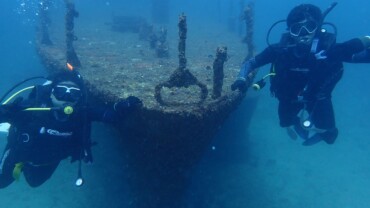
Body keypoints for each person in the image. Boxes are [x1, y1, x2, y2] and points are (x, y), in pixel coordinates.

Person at [231, 3, 370, 146]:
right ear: (290, 32)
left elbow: (362, 56)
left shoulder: (330, 50)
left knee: (330, 136)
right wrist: (241, 78)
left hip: (316, 97)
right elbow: (250, 63)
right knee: (285, 123)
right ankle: (295, 123)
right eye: (296, 29)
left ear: (317, 27)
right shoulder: (280, 50)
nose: (303, 34)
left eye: (309, 27)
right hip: (287, 96)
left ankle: (318, 129)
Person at [0, 69, 142, 188]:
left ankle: (27, 167)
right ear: (51, 93)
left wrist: (123, 107)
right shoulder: (32, 108)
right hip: (18, 154)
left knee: (34, 183)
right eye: (61, 91)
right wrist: (6, 112)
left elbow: (111, 116)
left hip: (48, 161)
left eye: (73, 93)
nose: (66, 97)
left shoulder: (83, 113)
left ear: (79, 98)